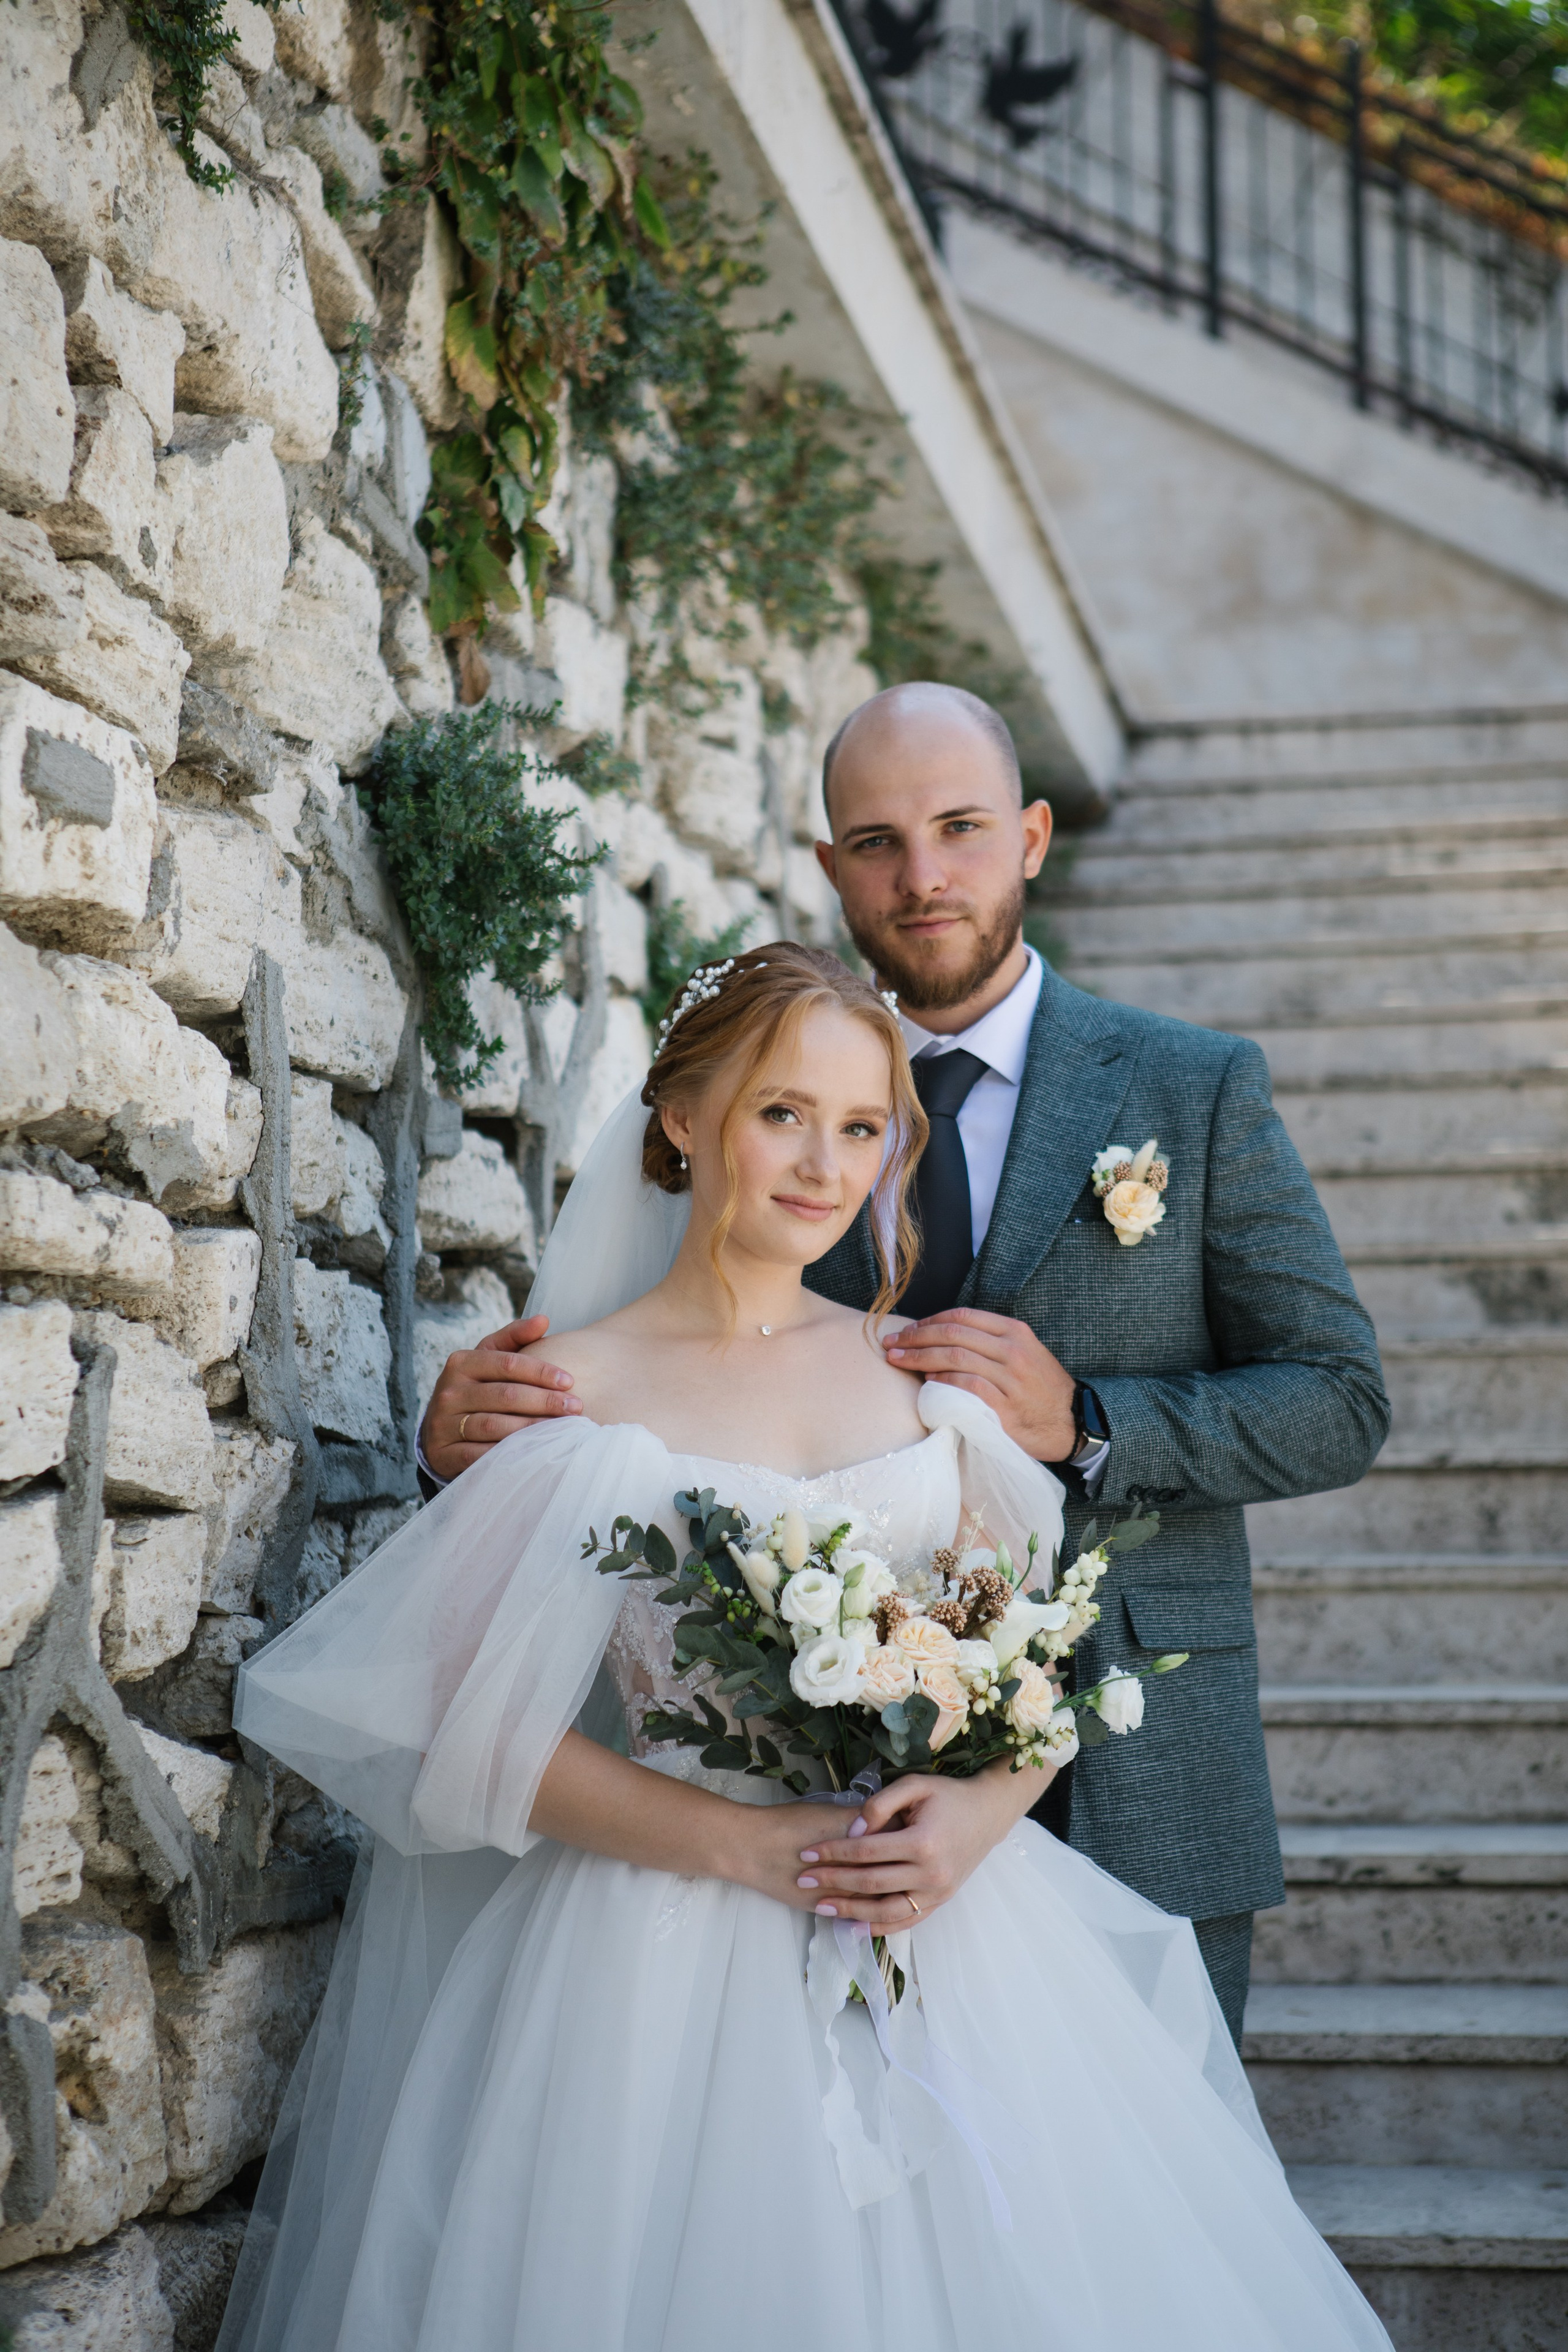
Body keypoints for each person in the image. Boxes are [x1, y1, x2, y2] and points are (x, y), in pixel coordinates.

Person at [220, 946, 1392, 2352]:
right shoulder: (565, 1393)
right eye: (781, 1114)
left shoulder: (924, 1379)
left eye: (861, 1127)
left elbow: (1031, 1665)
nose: (824, 1165)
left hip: (946, 1926)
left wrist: (976, 1814)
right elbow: (466, 1731)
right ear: (682, 1118)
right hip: (652, 1945)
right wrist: (739, 1844)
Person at [416, 681, 1390, 2044]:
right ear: (830, 865)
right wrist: (467, 1446)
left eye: (960, 829)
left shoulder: (1193, 1087)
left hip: (1130, 1762)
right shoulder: (770, 1088)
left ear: (1031, 836)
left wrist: (1088, 1421)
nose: (922, 876)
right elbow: (655, 1388)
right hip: (783, 1785)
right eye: (877, 842)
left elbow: (1340, 1400)